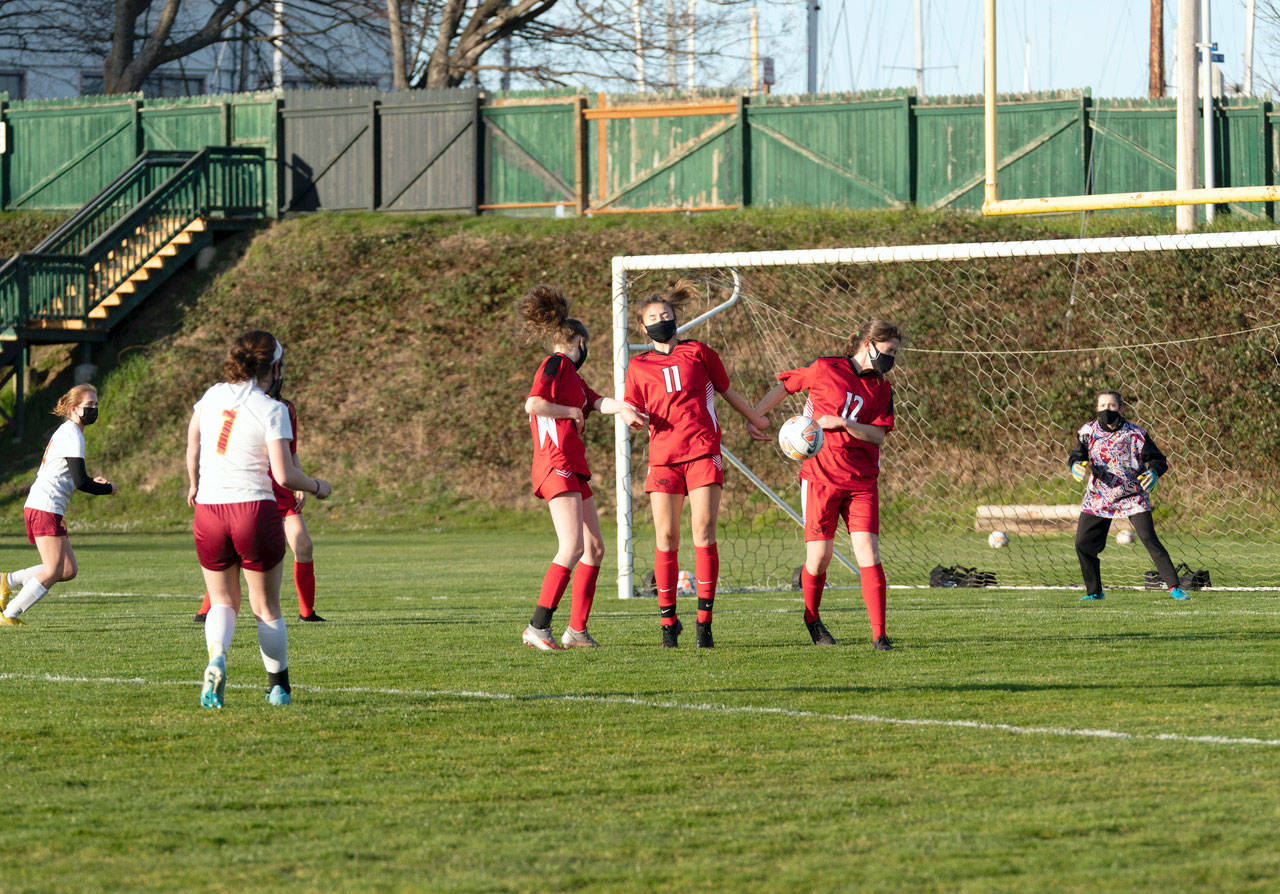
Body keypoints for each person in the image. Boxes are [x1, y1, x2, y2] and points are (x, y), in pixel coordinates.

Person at [187, 330, 332, 708]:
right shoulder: (273, 409)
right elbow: (284, 476)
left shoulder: (211, 396)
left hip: (208, 511)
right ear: (274, 367)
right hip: (253, 509)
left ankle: (217, 657)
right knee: (266, 608)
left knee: (222, 602)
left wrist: (193, 485)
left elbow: (193, 446)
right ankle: (278, 687)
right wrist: (317, 485)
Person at [623, 280, 770, 648]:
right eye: (653, 318)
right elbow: (631, 406)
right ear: (643, 328)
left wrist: (754, 418)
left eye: (666, 315)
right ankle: (668, 623)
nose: (661, 321)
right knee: (666, 538)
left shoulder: (700, 352)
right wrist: (631, 416)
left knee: (703, 533)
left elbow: (727, 390)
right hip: (663, 460)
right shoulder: (638, 366)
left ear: (676, 318)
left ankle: (704, 623)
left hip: (703, 452)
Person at [751, 320, 901, 650]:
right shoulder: (825, 368)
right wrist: (756, 416)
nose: (892, 360)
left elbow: (878, 435)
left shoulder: (882, 389)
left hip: (862, 482)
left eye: (896, 354)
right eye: (889, 352)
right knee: (819, 557)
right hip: (820, 478)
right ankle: (812, 617)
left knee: (869, 553)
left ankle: (879, 634)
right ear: (869, 345)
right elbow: (786, 385)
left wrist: (844, 424)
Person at [520, 285, 647, 650]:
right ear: (578, 342)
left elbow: (597, 401)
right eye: (585, 346)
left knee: (594, 549)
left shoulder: (573, 378)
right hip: (555, 462)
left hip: (573, 466)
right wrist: (569, 411)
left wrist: (624, 408)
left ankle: (576, 631)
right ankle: (538, 627)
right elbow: (534, 404)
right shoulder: (557, 363)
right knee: (572, 547)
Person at [194, 388, 325, 623]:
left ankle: (307, 613)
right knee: (234, 551)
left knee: (303, 544)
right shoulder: (241, 407)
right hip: (253, 490)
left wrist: (301, 484)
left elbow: (292, 454)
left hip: (281, 491)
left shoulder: (285, 409)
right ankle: (206, 610)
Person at [0, 384, 117, 626]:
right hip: (45, 507)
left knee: (67, 569)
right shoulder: (72, 434)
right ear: (74, 408)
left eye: (96, 404)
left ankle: (7, 581)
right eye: (89, 405)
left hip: (47, 507)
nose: (94, 409)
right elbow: (81, 482)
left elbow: (74, 475)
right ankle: (9, 614)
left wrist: (93, 481)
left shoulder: (70, 431)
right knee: (53, 569)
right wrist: (108, 488)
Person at [1068, 390, 1187, 602]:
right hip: (1100, 497)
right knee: (1083, 544)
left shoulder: (1136, 434)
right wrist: (1075, 465)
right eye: (1102, 405)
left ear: (1120, 408)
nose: (1107, 409)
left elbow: (1158, 459)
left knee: (1150, 539)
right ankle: (1094, 592)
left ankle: (1175, 587)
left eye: (1112, 405)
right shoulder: (1087, 432)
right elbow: (1078, 454)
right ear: (1097, 408)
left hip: (1133, 496)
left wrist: (1153, 472)